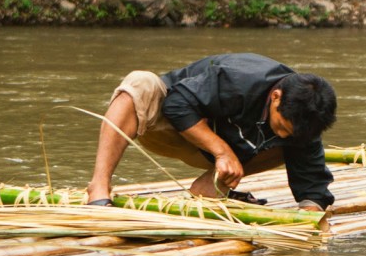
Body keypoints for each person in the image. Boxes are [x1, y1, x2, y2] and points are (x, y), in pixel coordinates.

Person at [86, 53, 337, 211]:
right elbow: (176, 105)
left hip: (226, 156)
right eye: (281, 125)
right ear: (275, 97)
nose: (282, 134)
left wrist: (310, 214)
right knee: (140, 82)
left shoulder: (304, 123)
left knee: (291, 147)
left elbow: (313, 185)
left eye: (289, 132)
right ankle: (98, 187)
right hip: (173, 127)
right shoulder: (239, 79)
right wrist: (222, 152)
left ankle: (210, 184)